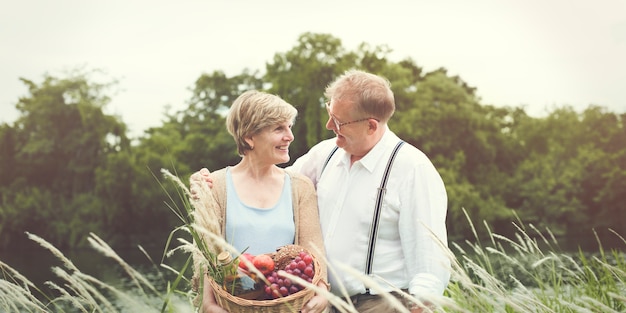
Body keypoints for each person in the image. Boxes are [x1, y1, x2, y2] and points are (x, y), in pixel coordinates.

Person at [194, 70, 451, 312]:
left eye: (339, 121)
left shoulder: (412, 169)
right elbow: (270, 180)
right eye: (330, 113)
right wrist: (206, 183)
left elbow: (430, 258)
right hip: (324, 304)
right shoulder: (325, 154)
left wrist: (421, 305)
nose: (329, 125)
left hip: (381, 303)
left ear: (371, 126)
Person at [189, 90, 329, 313]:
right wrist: (208, 306)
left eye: (289, 127)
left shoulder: (300, 187)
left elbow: (315, 254)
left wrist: (322, 293)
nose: (290, 136)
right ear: (249, 137)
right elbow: (206, 259)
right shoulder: (215, 186)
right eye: (279, 129)